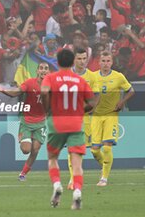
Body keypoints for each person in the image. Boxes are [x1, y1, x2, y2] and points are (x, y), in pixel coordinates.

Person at [41, 49, 96, 210]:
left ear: (57, 62)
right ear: (73, 62)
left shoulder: (50, 78)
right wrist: (80, 111)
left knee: (52, 158)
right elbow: (92, 102)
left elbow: (44, 91)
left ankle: (57, 184)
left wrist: (47, 108)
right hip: (75, 124)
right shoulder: (79, 80)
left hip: (56, 123)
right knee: (77, 163)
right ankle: (77, 192)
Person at [0, 62, 50, 181]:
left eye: (46, 69)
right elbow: (16, 92)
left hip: (41, 122)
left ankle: (23, 173)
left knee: (35, 150)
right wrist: (3, 89)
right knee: (26, 150)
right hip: (27, 121)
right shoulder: (29, 83)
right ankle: (23, 137)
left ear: (49, 72)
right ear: (37, 71)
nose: (43, 71)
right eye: (41, 68)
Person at [91, 51, 135, 186]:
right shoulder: (92, 76)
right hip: (96, 116)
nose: (105, 64)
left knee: (107, 148)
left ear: (112, 62)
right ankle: (105, 165)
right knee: (94, 150)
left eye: (108, 61)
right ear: (99, 62)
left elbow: (131, 90)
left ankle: (104, 178)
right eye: (103, 61)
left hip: (111, 115)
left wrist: (122, 102)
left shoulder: (118, 77)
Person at [67, 48, 100, 190]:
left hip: (86, 119)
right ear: (74, 59)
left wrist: (86, 108)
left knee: (90, 151)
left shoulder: (92, 76)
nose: (82, 61)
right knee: (71, 149)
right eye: (79, 58)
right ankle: (73, 178)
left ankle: (103, 167)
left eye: (84, 58)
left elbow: (96, 97)